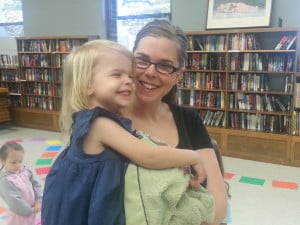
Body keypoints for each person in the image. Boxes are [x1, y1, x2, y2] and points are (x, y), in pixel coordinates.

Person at [41, 39, 212, 225]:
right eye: (117, 75)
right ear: (87, 85)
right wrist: (192, 156)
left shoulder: (97, 119)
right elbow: (149, 156)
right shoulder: (100, 124)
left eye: (130, 76)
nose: (129, 82)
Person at [121, 19, 228, 225]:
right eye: (142, 59)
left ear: (178, 75)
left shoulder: (189, 121)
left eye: (165, 66)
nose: (150, 72)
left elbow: (218, 202)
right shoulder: (107, 120)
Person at [0, 142, 43, 225]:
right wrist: (30, 210)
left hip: (32, 210)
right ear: (2, 160)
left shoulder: (25, 171)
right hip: (19, 215)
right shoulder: (5, 181)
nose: (18, 165)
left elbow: (36, 185)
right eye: (13, 162)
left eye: (20, 161)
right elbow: (14, 201)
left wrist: (38, 200)